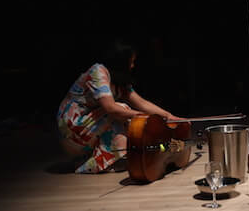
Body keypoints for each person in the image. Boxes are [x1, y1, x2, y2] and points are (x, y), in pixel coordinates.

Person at [57, 38, 183, 173]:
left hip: (90, 124)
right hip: (72, 127)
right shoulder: (98, 72)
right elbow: (110, 108)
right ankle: (94, 164)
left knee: (125, 114)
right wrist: (150, 118)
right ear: (121, 61)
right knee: (122, 110)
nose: (133, 65)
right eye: (131, 61)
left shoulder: (118, 79)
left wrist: (169, 116)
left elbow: (141, 102)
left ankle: (102, 159)